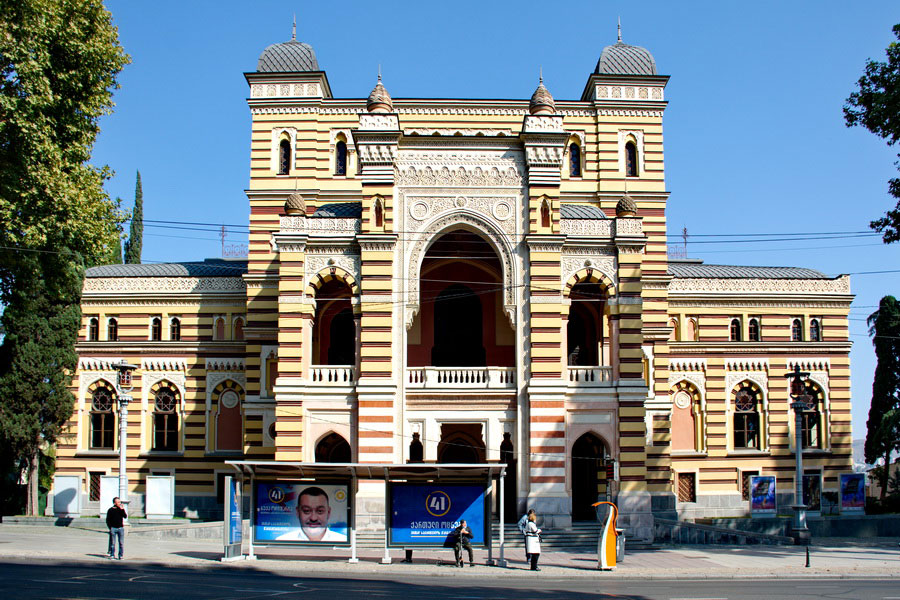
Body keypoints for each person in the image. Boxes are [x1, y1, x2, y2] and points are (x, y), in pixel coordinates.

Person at [276, 486, 346, 542]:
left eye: (320, 511)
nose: (313, 518)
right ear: (297, 512)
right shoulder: (282, 541)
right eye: (306, 511)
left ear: (328, 512)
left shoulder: (342, 540)